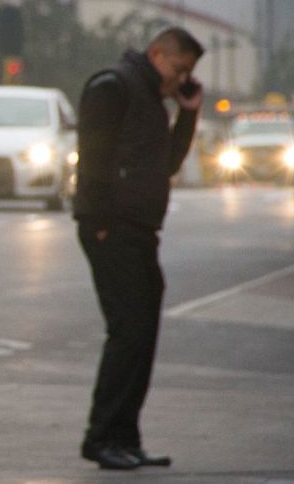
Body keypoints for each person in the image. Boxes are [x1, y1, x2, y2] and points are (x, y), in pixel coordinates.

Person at [73, 27, 204, 470]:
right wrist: (100, 223)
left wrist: (188, 114)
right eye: (179, 68)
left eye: (187, 73)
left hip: (142, 230)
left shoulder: (152, 100)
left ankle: (125, 436)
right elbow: (92, 159)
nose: (180, 79)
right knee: (128, 330)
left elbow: (166, 164)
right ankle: (102, 436)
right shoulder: (113, 86)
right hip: (114, 230)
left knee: (142, 332)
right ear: (157, 53)